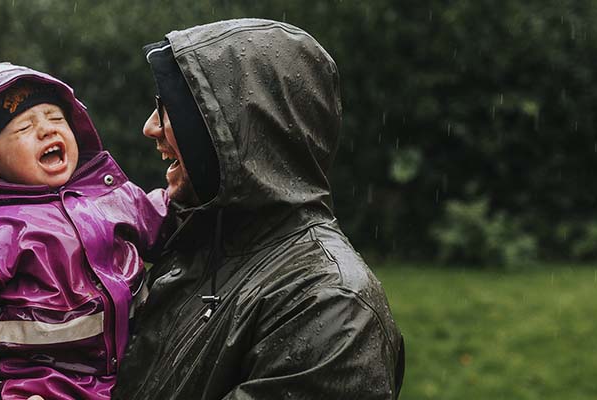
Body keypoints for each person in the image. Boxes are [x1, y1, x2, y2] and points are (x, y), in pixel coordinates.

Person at [114, 19, 406, 399]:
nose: (150, 127)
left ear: (234, 129)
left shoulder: (331, 308)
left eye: (167, 106)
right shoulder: (201, 249)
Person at [0, 63, 168, 400]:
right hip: (45, 392)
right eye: (24, 128)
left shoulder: (114, 198)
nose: (46, 130)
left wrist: (196, 188)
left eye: (56, 119)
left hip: (141, 378)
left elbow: (171, 221)